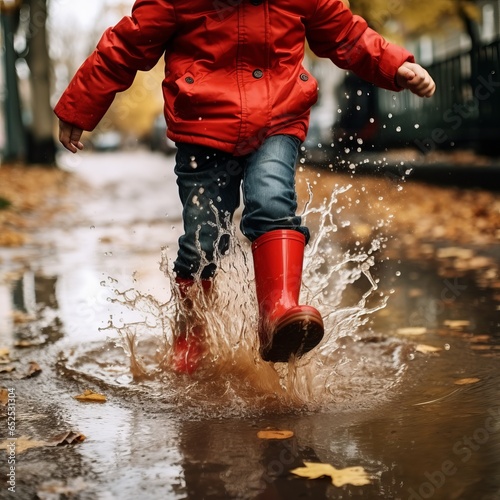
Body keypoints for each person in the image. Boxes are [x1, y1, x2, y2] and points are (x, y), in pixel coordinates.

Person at [55, 0, 435, 374]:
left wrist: (395, 64)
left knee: (272, 202)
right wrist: (79, 105)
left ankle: (277, 314)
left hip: (278, 121)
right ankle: (191, 332)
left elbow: (345, 33)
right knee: (202, 241)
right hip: (202, 128)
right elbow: (126, 45)